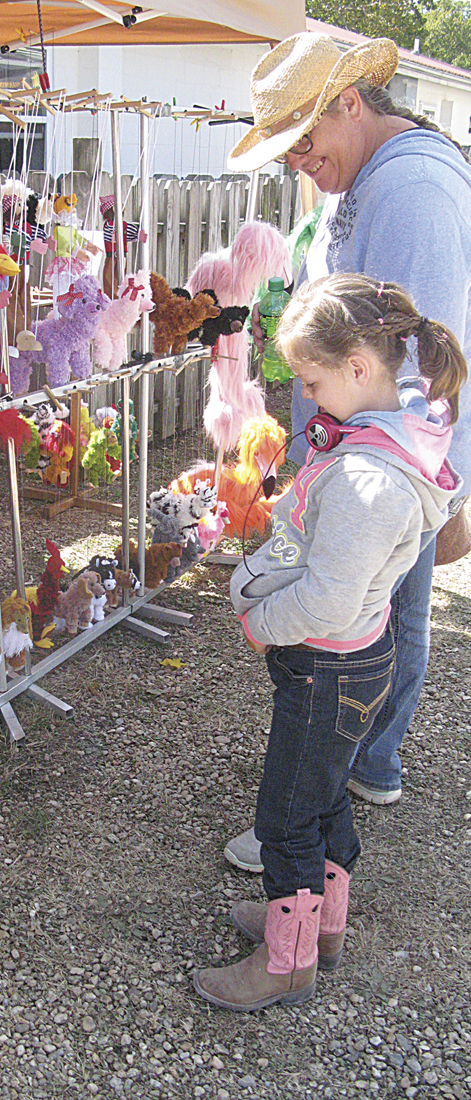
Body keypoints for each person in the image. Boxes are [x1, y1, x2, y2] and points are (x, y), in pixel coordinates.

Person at [222, 31, 471, 874]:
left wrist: (370, 476)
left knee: (364, 619)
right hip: (359, 458)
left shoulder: (413, 191)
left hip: (378, 472)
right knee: (373, 609)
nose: (298, 162)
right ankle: (352, 769)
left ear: (347, 104)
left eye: (301, 140)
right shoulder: (367, 177)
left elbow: (419, 358)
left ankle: (331, 777)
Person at [194, 272, 465, 1011]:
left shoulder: (364, 481)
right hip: (354, 662)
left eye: (313, 381)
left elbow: (326, 596)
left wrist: (260, 627)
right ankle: (322, 925)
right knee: (323, 798)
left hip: (324, 666)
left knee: (285, 815)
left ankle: (285, 962)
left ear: (357, 367)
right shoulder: (393, 442)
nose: (309, 397)